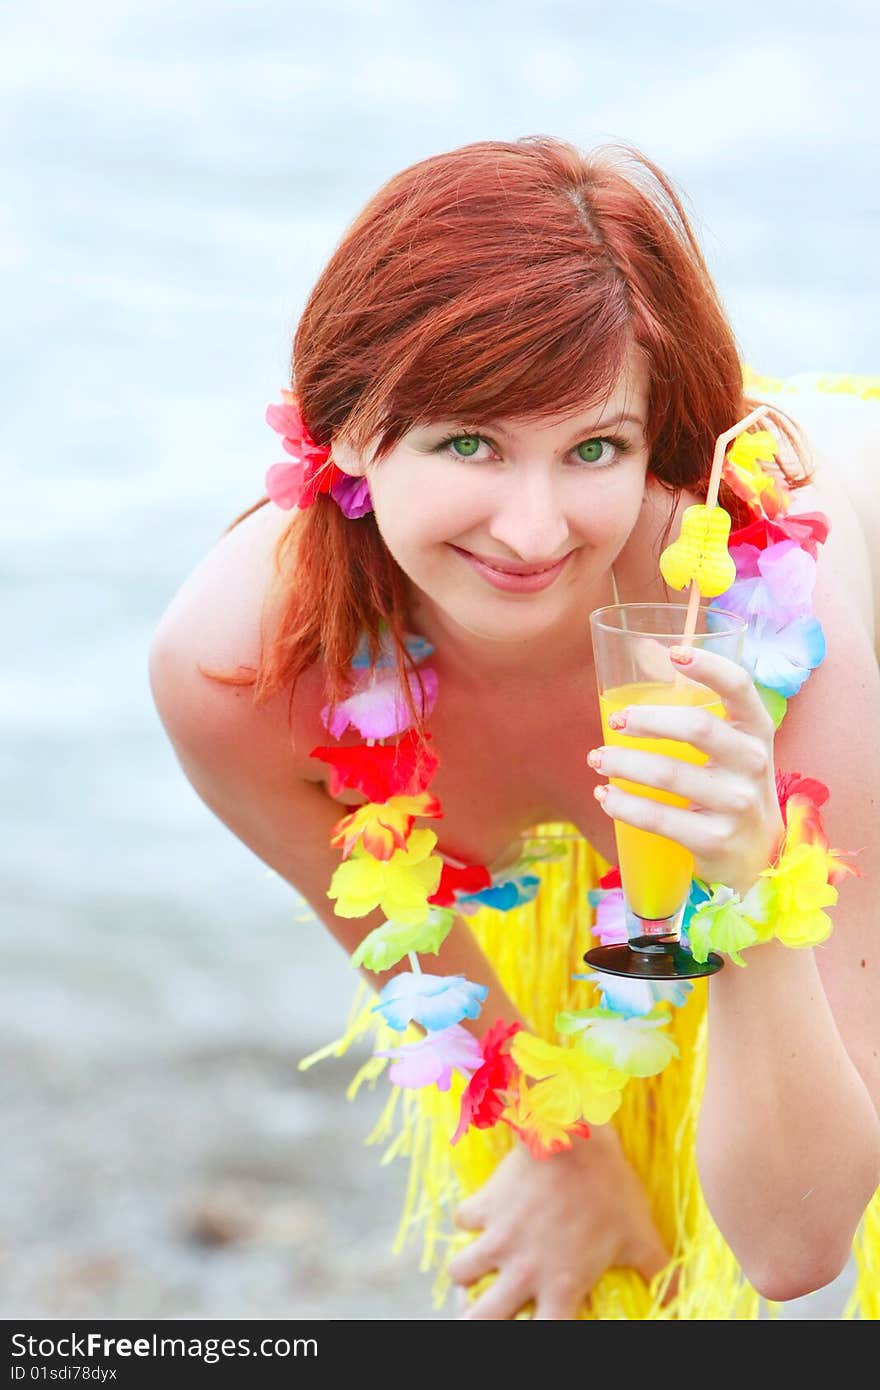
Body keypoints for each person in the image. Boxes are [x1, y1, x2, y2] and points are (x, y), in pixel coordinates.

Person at [148, 137, 880, 1320]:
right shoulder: (233, 673)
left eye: (595, 447)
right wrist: (557, 1153)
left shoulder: (772, 634)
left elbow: (798, 1246)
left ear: (656, 450)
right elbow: (417, 951)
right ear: (340, 429)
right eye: (467, 442)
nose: (532, 532)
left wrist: (747, 892)